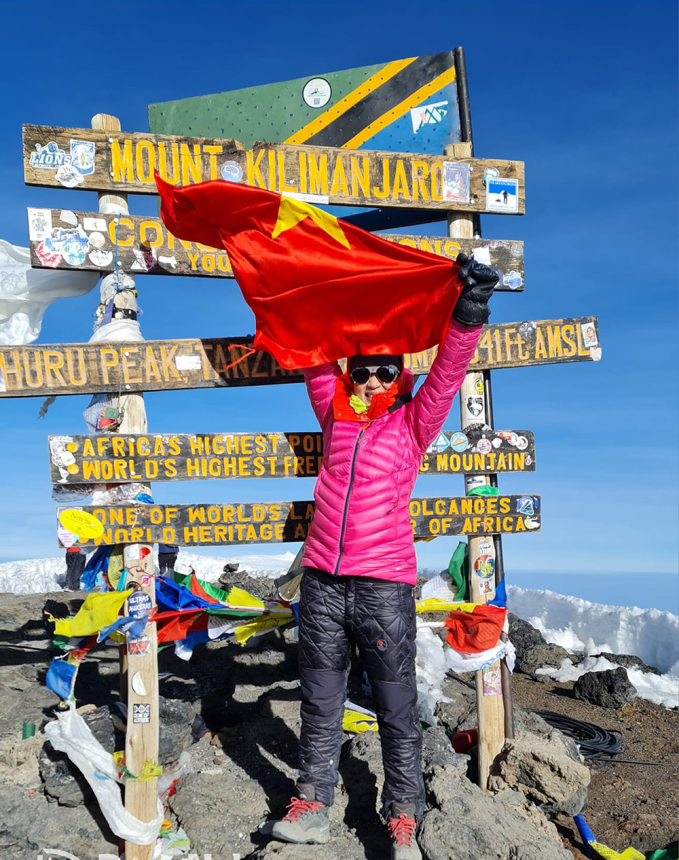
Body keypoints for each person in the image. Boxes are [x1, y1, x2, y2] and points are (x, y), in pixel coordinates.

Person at [270, 255, 498, 859]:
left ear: (399, 376)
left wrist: (469, 311)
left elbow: (448, 372)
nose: (372, 380)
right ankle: (311, 803)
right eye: (363, 371)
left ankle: (402, 817)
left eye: (384, 372)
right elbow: (314, 349)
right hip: (320, 582)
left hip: (383, 588)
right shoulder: (333, 416)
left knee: (396, 706)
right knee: (318, 703)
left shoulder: (414, 425)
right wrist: (290, 284)